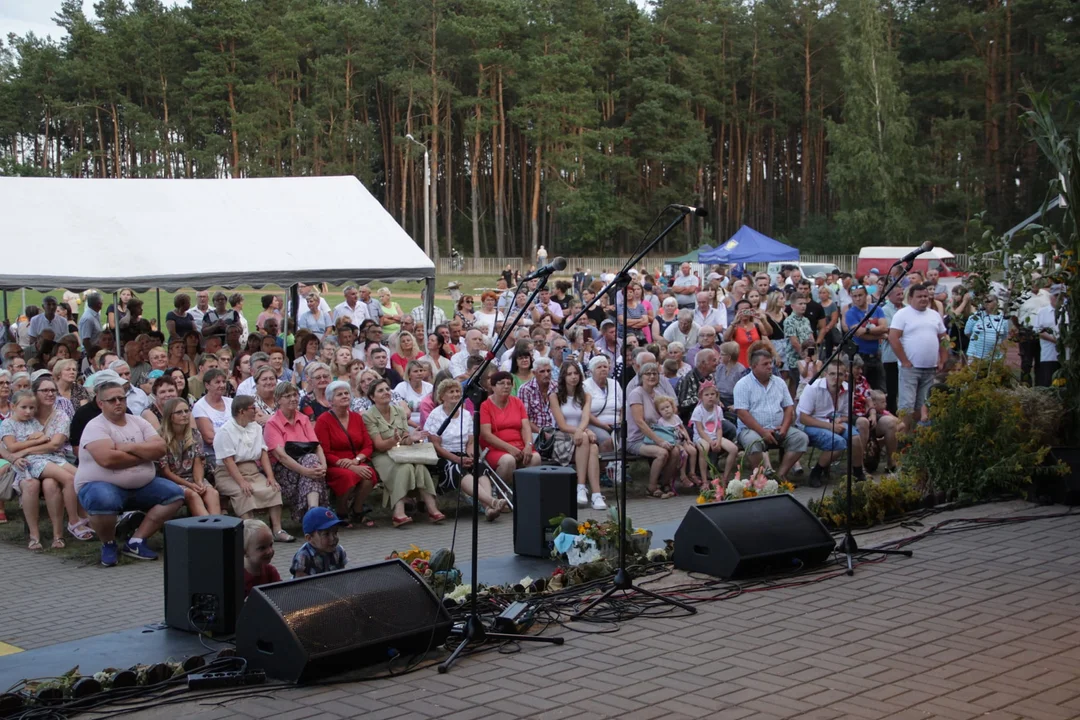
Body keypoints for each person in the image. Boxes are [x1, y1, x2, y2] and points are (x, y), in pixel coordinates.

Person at [73, 380, 185, 566]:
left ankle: (136, 541)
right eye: (112, 400)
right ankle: (108, 543)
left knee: (175, 494)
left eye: (121, 398)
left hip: (142, 485)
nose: (118, 402)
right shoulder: (95, 427)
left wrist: (129, 447)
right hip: (99, 485)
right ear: (101, 403)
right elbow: (108, 460)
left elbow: (160, 449)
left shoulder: (139, 422)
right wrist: (144, 455)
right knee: (103, 500)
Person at [1, 389, 82, 549]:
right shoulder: (8, 423)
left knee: (73, 478)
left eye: (31, 408)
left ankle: (58, 536)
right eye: (24, 407)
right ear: (12, 406)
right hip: (31, 462)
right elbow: (11, 447)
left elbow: (45, 438)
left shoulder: (33, 422)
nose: (28, 411)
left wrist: (33, 442)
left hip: (48, 458)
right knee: (68, 479)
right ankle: (71, 522)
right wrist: (32, 441)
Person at [363, 378, 442, 528]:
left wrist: (411, 438)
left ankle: (432, 508)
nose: (386, 392)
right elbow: (379, 446)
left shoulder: (399, 410)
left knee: (419, 467)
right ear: (372, 397)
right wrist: (394, 440)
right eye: (381, 391)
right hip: (382, 455)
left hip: (402, 451)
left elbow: (405, 438)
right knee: (404, 468)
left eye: (387, 389)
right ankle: (398, 513)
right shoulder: (368, 416)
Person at [425, 379, 509, 521]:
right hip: (444, 456)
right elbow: (436, 445)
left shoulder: (466, 414)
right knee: (459, 470)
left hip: (463, 452)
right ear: (442, 396)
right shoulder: (436, 415)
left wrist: (471, 454)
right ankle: (492, 502)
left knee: (480, 467)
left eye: (457, 391)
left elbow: (471, 441)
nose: (455, 394)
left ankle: (487, 508)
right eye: (451, 392)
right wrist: (457, 459)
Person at [213, 395, 292, 541]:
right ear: (242, 411)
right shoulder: (225, 431)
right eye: (253, 408)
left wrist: (270, 477)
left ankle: (277, 530)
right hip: (228, 474)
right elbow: (228, 461)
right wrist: (242, 482)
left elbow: (263, 453)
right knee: (244, 492)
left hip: (252, 471)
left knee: (273, 488)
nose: (256, 410)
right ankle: (251, 535)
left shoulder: (255, 427)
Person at [732, 349, 809, 483]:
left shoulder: (779, 382)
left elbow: (788, 407)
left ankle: (780, 475)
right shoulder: (742, 384)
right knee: (753, 442)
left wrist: (784, 428)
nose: (770, 366)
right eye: (765, 364)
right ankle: (760, 476)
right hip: (750, 430)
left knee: (801, 438)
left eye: (771, 363)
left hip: (778, 428)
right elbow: (742, 414)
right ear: (754, 366)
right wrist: (762, 432)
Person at [265, 385, 332, 526]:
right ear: (278, 400)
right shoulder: (272, 423)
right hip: (285, 469)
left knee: (312, 460)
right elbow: (281, 457)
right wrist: (307, 471)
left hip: (307, 466)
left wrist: (324, 466)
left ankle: (311, 512)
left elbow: (316, 446)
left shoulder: (304, 419)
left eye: (295, 395)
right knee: (312, 465)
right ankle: (314, 513)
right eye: (288, 396)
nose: (293, 399)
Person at [311, 381, 376, 526]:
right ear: (330, 401)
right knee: (348, 476)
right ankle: (341, 511)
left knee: (369, 474)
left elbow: (368, 445)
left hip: (355, 461)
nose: (344, 396)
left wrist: (357, 460)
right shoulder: (323, 421)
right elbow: (323, 451)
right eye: (339, 394)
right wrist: (348, 465)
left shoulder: (357, 418)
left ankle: (357, 510)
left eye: (346, 393)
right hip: (334, 463)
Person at [888, 283, 948, 432]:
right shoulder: (902, 314)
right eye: (919, 296)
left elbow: (944, 338)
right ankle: (903, 438)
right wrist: (904, 361)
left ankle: (917, 438)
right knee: (906, 406)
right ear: (911, 298)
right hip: (910, 369)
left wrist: (943, 359)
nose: (923, 299)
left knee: (924, 406)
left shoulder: (934, 315)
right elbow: (893, 338)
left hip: (930, 369)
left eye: (925, 296)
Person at [796, 361, 865, 487]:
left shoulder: (848, 389)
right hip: (811, 423)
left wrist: (841, 420)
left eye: (840, 374)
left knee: (855, 438)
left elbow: (847, 415)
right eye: (832, 374)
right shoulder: (813, 387)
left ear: (845, 376)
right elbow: (803, 418)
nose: (836, 377)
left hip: (833, 421)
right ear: (825, 374)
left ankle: (858, 473)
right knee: (838, 442)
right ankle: (816, 473)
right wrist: (830, 427)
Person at [550, 361, 606, 510]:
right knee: (588, 441)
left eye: (576, 373)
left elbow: (585, 418)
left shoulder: (586, 396)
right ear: (563, 377)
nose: (573, 377)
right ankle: (585, 488)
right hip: (563, 437)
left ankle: (592, 493)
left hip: (581, 437)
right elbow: (562, 425)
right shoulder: (554, 397)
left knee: (593, 448)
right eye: (569, 374)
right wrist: (582, 431)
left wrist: (582, 430)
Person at [157, 397, 222, 516]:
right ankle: (210, 528)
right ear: (170, 416)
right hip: (171, 480)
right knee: (193, 495)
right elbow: (166, 472)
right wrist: (190, 485)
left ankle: (219, 528)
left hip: (192, 477)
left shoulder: (194, 434)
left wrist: (199, 482)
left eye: (187, 411)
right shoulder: (160, 437)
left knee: (212, 493)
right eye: (179, 412)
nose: (184, 415)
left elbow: (198, 462)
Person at [626, 362, 680, 498]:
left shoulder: (658, 394)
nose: (651, 376)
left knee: (676, 451)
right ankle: (651, 487)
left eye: (654, 373)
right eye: (648, 373)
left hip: (656, 436)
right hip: (637, 439)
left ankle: (664, 483)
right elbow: (640, 422)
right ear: (641, 376)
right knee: (662, 453)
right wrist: (660, 441)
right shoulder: (636, 394)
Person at [480, 371, 541, 484]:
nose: (506, 386)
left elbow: (526, 426)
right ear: (493, 386)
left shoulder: (517, 402)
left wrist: (528, 445)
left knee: (535, 458)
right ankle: (501, 493)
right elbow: (486, 435)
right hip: (496, 448)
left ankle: (525, 492)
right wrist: (509, 448)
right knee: (508, 461)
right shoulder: (485, 405)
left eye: (509, 383)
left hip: (519, 445)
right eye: (501, 383)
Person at [691, 381, 739, 484]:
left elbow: (719, 428)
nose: (710, 397)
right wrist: (710, 441)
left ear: (717, 396)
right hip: (701, 437)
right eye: (706, 395)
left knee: (733, 449)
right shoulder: (698, 410)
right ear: (701, 397)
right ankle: (704, 480)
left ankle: (725, 478)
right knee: (705, 448)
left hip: (714, 435)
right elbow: (700, 430)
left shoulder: (718, 409)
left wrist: (718, 440)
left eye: (713, 394)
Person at [844, 284, 888, 392]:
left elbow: (884, 327)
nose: (858, 298)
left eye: (860, 295)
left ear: (866, 295)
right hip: (861, 356)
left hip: (876, 356)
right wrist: (881, 335)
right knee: (862, 389)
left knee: (880, 389)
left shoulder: (876, 309)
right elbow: (859, 334)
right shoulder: (850, 313)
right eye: (855, 296)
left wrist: (867, 330)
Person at [192, 368, 233, 469]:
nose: (222, 385)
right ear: (207, 385)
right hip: (214, 452)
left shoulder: (232, 402)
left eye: (224, 382)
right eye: (217, 382)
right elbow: (210, 438)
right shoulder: (200, 407)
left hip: (236, 448)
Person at [290, 506, 348, 578]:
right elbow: (300, 586)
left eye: (335, 532)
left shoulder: (339, 551)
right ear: (309, 538)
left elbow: (342, 577)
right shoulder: (303, 556)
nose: (333, 538)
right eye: (326, 534)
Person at [1034, 284, 1064, 387]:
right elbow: (1039, 331)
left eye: (1062, 296)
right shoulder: (1042, 312)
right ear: (1050, 296)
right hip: (1049, 355)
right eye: (1056, 296)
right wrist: (1055, 340)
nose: (1059, 299)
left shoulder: (1069, 312)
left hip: (1066, 356)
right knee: (1048, 383)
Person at [964, 293, 1009, 361]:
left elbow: (1004, 335)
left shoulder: (1003, 318)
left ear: (996, 303)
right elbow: (967, 332)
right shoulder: (975, 316)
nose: (986, 303)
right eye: (985, 302)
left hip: (994, 356)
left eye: (989, 301)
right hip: (975, 354)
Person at [242, 519, 280, 597]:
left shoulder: (271, 572)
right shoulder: (238, 578)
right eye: (262, 548)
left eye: (271, 545)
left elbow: (281, 594)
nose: (269, 551)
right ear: (245, 552)